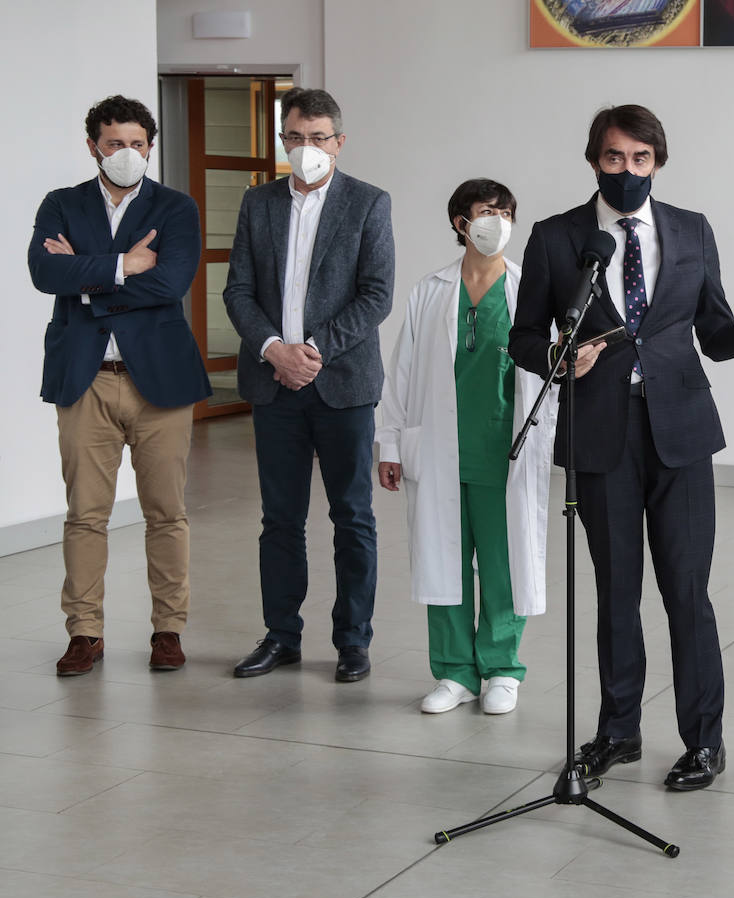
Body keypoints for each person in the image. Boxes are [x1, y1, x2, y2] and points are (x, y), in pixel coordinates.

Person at [508, 104, 734, 790]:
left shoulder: (690, 230)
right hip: (600, 439)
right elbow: (522, 336)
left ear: (658, 162)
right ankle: (617, 733)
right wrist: (559, 354)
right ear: (595, 160)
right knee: (616, 594)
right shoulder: (557, 238)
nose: (628, 170)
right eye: (615, 158)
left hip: (680, 437)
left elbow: (711, 332)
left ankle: (704, 742)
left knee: (687, 592)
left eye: (641, 158)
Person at [28, 95, 211, 676]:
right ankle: (84, 633)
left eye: (137, 144)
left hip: (159, 381)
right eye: (114, 144)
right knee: (85, 514)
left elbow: (171, 282)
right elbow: (41, 272)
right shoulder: (61, 204)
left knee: (166, 512)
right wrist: (121, 266)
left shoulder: (176, 208)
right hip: (85, 381)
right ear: (93, 148)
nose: (126, 154)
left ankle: (168, 630)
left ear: (149, 147)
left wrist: (84, 277)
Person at [223, 88, 395, 683]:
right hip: (274, 385)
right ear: (283, 141)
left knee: (352, 517)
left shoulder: (369, 204)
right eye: (295, 137)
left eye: (318, 137)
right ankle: (281, 636)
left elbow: (376, 295)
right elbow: (237, 291)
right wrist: (275, 350)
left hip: (341, 384)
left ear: (339, 143)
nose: (306, 148)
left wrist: (312, 351)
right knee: (280, 518)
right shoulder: (258, 204)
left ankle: (353, 642)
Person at [377, 179, 556, 715]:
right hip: (438, 450)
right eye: (485, 211)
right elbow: (402, 374)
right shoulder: (431, 291)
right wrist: (389, 442)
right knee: (443, 561)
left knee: (502, 563)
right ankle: (454, 672)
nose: (496, 221)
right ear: (461, 223)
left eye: (505, 212)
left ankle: (502, 668)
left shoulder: (529, 291)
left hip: (504, 450)